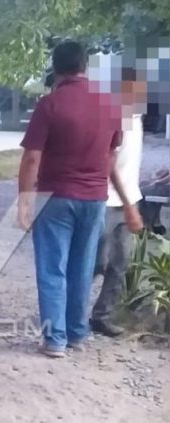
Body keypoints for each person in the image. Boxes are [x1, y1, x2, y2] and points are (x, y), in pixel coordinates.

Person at [17, 41, 143, 358]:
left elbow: (31, 158)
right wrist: (124, 201)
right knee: (82, 267)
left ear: (55, 67)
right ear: (85, 66)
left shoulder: (50, 104)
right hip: (95, 199)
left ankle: (55, 340)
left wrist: (24, 201)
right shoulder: (110, 105)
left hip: (56, 197)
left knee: (52, 268)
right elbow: (110, 156)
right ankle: (76, 333)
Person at [90, 67, 147, 337]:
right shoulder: (113, 118)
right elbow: (109, 165)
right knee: (95, 262)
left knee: (120, 263)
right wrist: (129, 205)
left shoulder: (137, 118)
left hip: (128, 199)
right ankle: (69, 313)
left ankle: (101, 315)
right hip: (107, 200)